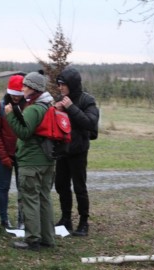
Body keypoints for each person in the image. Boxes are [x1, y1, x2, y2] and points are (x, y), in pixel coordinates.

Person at [5, 71, 55, 251]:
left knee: (30, 199)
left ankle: (32, 239)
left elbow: (24, 133)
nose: (22, 88)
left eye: (26, 85)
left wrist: (10, 115)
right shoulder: (48, 105)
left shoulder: (34, 109)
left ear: (34, 88)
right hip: (47, 160)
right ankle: (48, 239)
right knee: (44, 198)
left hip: (31, 162)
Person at [54, 67, 99, 237]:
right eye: (59, 85)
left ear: (71, 84)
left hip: (78, 151)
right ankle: (66, 219)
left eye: (63, 85)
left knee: (79, 187)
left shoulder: (87, 100)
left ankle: (83, 222)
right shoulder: (62, 99)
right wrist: (56, 110)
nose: (60, 88)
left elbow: (90, 122)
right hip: (62, 150)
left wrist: (71, 107)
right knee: (61, 185)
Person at [0, 75, 26, 229]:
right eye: (13, 94)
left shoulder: (28, 107)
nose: (16, 97)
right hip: (5, 153)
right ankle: (4, 219)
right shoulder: (0, 107)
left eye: (19, 95)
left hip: (23, 155)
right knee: (4, 187)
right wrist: (3, 156)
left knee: (23, 188)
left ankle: (22, 219)